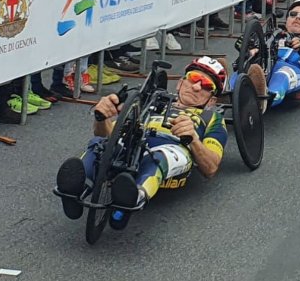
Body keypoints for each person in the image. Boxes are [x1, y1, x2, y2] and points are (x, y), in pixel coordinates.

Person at [56, 56, 229, 231]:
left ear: (212, 100)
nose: (197, 86)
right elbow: (108, 135)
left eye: (206, 85)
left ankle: (133, 197)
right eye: (193, 78)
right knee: (99, 144)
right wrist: (102, 117)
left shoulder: (212, 118)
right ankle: (75, 189)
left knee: (160, 157)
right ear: (180, 83)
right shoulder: (151, 100)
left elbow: (211, 167)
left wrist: (193, 138)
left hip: (173, 147)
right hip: (134, 140)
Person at [244, 0, 300, 110]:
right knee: (243, 69)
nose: (297, 18)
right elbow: (254, 52)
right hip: (264, 64)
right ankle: (227, 93)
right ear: (286, 21)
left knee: (283, 75)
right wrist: (247, 49)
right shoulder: (272, 36)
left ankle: (264, 101)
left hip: (292, 69)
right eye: (293, 14)